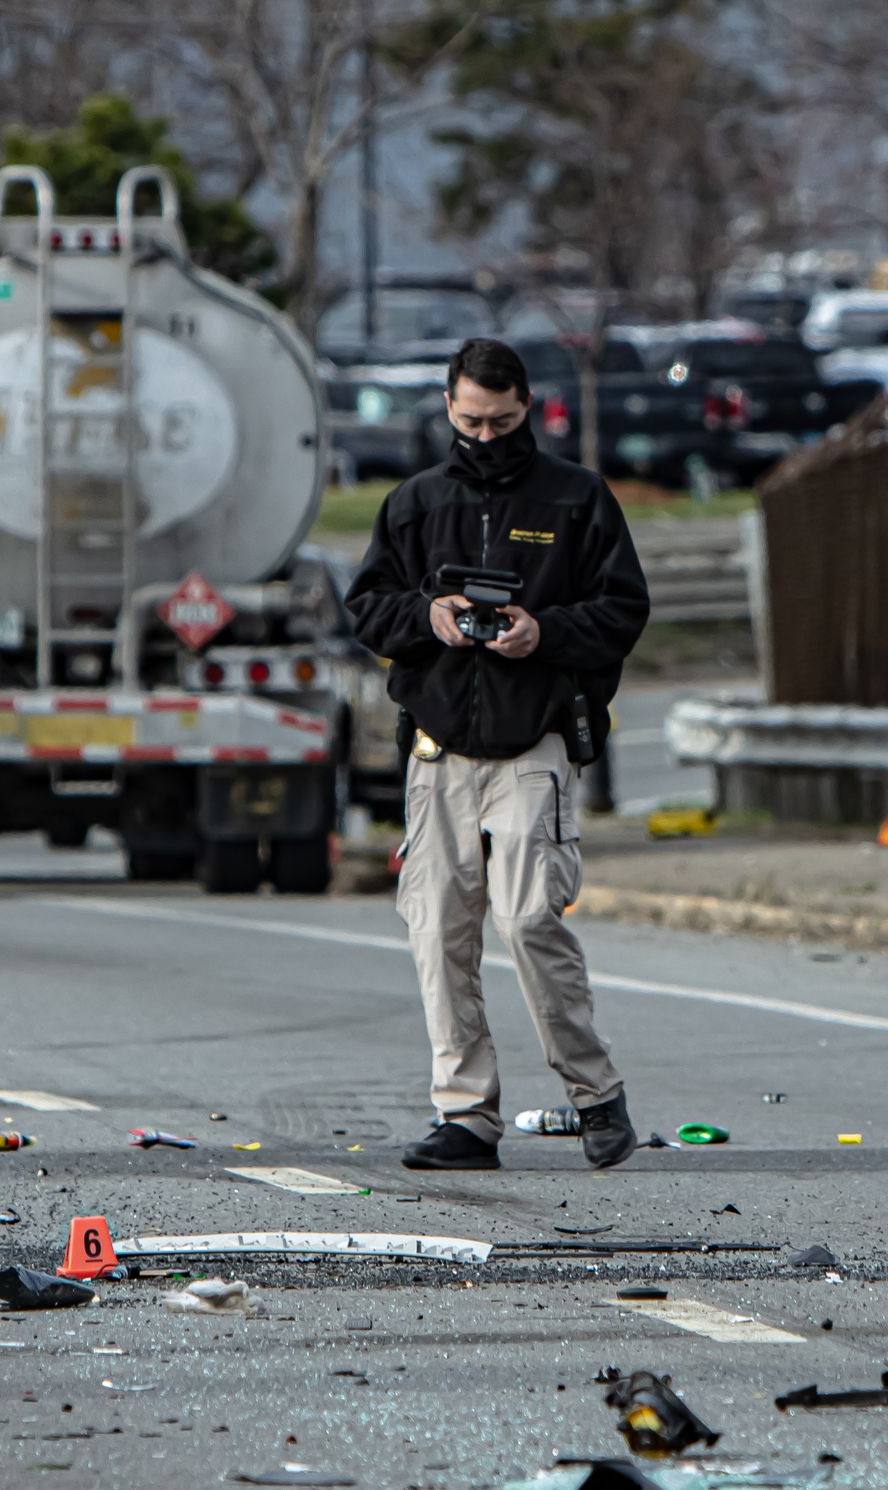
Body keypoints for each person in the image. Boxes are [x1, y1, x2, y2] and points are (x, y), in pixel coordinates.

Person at [345, 338, 649, 1172]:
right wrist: (428, 615)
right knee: (436, 928)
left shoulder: (576, 499)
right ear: (448, 407)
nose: (485, 435)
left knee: (526, 918)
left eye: (503, 420)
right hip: (439, 754)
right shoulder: (413, 503)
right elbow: (367, 607)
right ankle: (465, 1118)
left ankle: (596, 1096)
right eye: (471, 420)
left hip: (534, 745)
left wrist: (542, 633)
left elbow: (624, 611)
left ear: (529, 409)